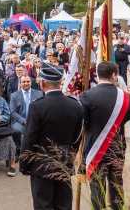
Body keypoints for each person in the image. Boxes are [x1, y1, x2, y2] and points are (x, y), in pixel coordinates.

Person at [20, 62, 83, 210]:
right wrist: (69, 154)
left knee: (43, 205)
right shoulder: (75, 104)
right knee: (63, 204)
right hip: (64, 160)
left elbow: (29, 139)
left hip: (42, 162)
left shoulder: (37, 106)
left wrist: (25, 164)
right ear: (60, 82)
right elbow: (77, 137)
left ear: (42, 83)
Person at [80, 61, 130, 210]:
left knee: (97, 187)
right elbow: (126, 117)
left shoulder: (87, 95)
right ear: (114, 75)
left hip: (95, 148)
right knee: (116, 184)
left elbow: (83, 123)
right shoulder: (125, 97)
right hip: (117, 148)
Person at [9, 75, 43, 159]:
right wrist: (24, 121)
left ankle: (35, 152)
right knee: (15, 131)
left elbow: (42, 109)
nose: (26, 83)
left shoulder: (39, 94)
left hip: (35, 120)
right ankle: (18, 150)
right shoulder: (14, 95)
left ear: (31, 83)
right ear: (20, 83)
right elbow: (13, 112)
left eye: (28, 81)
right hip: (20, 120)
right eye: (23, 82)